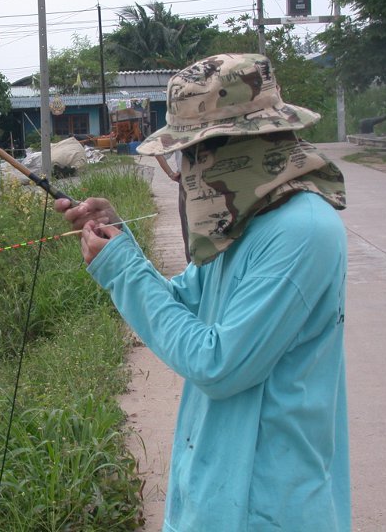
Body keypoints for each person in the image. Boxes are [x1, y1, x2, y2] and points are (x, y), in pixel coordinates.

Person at [56, 54, 350, 531]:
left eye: (192, 154)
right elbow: (184, 300)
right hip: (215, 496)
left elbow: (218, 364)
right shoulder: (244, 225)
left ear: (237, 147)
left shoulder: (302, 232)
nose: (187, 171)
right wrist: (120, 242)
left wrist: (126, 272)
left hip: (269, 506)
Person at [154, 151, 190, 263]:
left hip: (187, 180)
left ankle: (194, 271)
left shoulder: (179, 133)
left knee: (189, 231)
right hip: (213, 177)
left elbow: (157, 152)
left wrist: (171, 174)